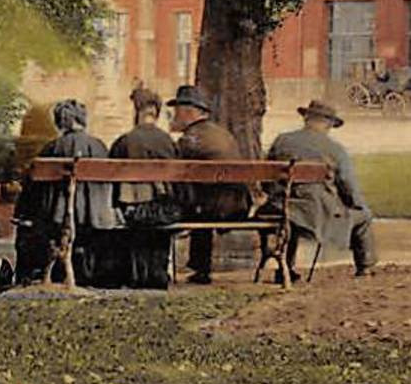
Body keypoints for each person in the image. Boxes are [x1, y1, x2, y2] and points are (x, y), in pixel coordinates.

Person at [266, 99, 377, 282]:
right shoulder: (334, 149)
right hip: (316, 212)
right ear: (328, 123)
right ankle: (364, 268)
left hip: (281, 208)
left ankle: (285, 268)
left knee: (292, 214)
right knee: (363, 216)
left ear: (307, 118)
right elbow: (348, 186)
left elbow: (268, 178)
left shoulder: (282, 141)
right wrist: (358, 206)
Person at [13, 99, 116, 285]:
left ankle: (36, 274)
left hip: (57, 216)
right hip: (96, 216)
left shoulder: (52, 148)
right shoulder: (99, 147)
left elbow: (33, 186)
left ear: (60, 121)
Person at [170, 85, 247, 285]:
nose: (174, 115)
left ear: (189, 112)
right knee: (201, 201)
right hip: (238, 206)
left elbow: (173, 168)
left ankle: (197, 268)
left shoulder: (191, 138)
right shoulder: (222, 134)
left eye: (176, 111)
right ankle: (199, 268)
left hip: (211, 208)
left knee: (177, 205)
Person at [110, 88, 180, 289]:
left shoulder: (124, 142)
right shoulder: (167, 141)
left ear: (136, 111)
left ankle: (135, 274)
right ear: (156, 113)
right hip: (163, 210)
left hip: (131, 211)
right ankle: (157, 273)